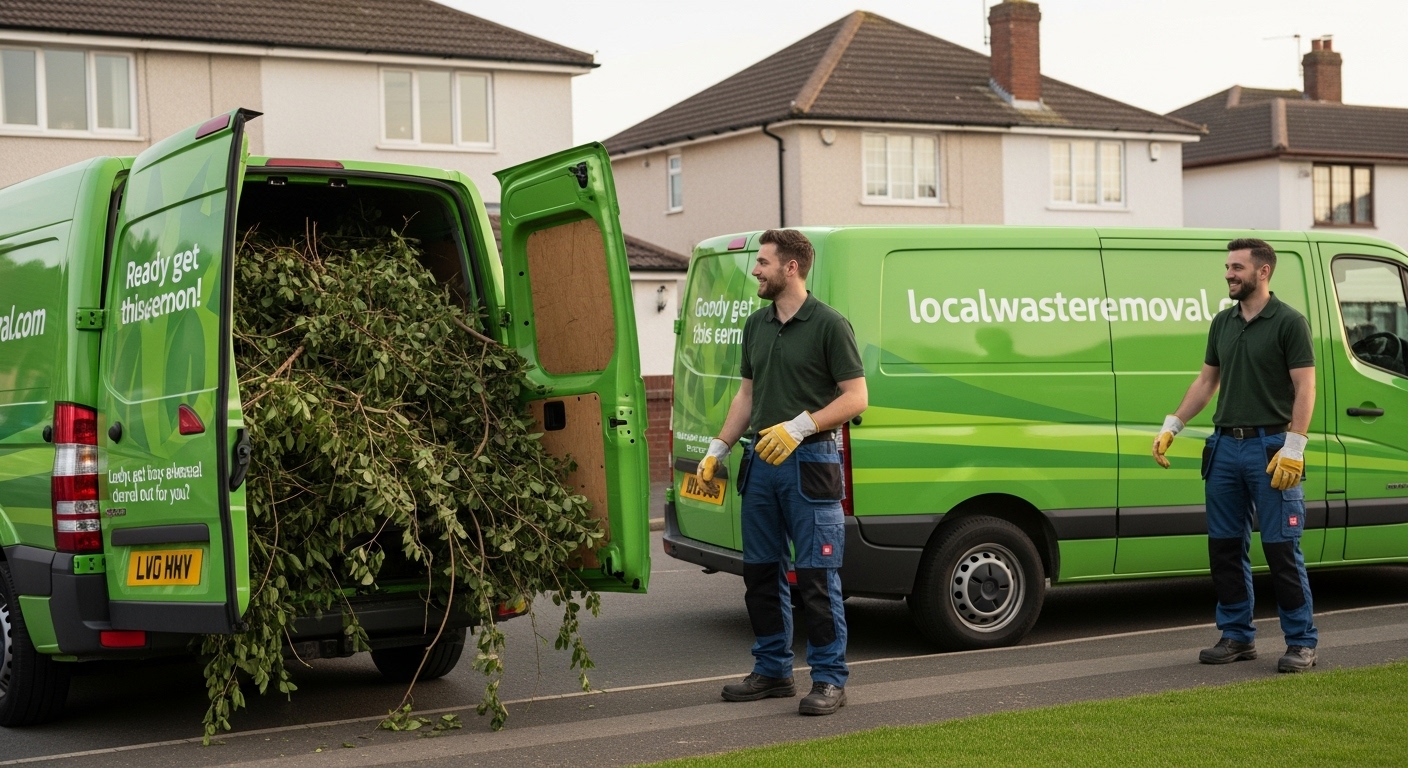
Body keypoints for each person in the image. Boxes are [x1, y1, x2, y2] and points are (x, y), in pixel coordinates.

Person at [697, 229, 867, 715]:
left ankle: (830, 679)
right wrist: (718, 448)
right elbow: (747, 397)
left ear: (791, 267)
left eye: (763, 262)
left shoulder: (829, 324)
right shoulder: (756, 325)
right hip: (761, 465)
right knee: (761, 575)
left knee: (815, 577)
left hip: (810, 464)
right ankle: (772, 671)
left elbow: (856, 397)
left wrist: (800, 426)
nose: (756, 270)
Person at [1152, 237, 1318, 673]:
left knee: (1282, 549)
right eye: (1227, 267)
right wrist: (1174, 425)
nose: (1228, 274)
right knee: (1224, 548)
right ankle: (1237, 636)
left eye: (1237, 267)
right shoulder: (1222, 323)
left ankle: (1301, 641)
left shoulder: (1289, 322)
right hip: (1224, 446)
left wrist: (1294, 447)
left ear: (1263, 272)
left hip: (1270, 448)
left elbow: (1305, 387)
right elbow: (1207, 381)